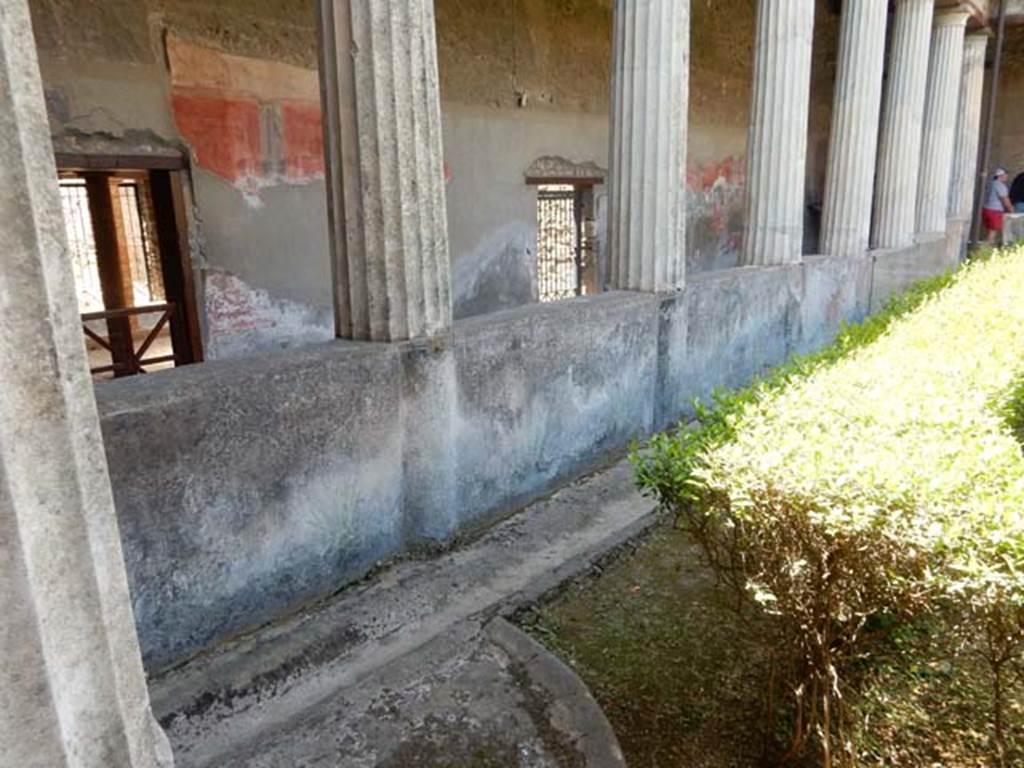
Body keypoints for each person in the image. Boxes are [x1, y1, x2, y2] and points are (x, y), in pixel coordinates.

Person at [982, 167, 1013, 243]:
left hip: (986, 209)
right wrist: (1011, 210)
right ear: (1000, 175)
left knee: (989, 231)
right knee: (992, 232)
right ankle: (987, 250)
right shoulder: (1000, 185)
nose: (1007, 176)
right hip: (995, 211)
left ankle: (986, 248)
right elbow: (1005, 199)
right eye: (1005, 174)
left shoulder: (990, 183)